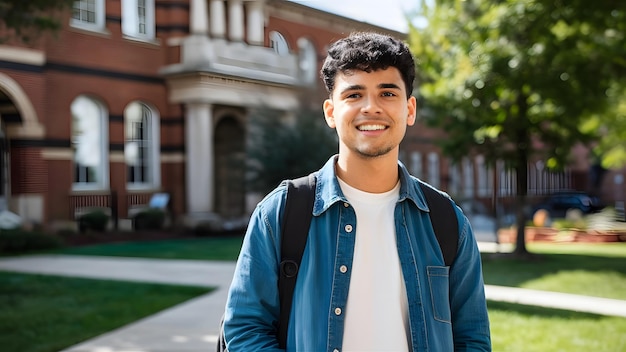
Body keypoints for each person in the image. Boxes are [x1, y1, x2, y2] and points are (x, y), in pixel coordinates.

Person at [223, 31, 491, 351]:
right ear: (330, 112)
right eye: (353, 95)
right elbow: (244, 327)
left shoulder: (446, 220)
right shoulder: (280, 213)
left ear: (410, 109)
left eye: (387, 93)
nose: (371, 108)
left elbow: (472, 338)